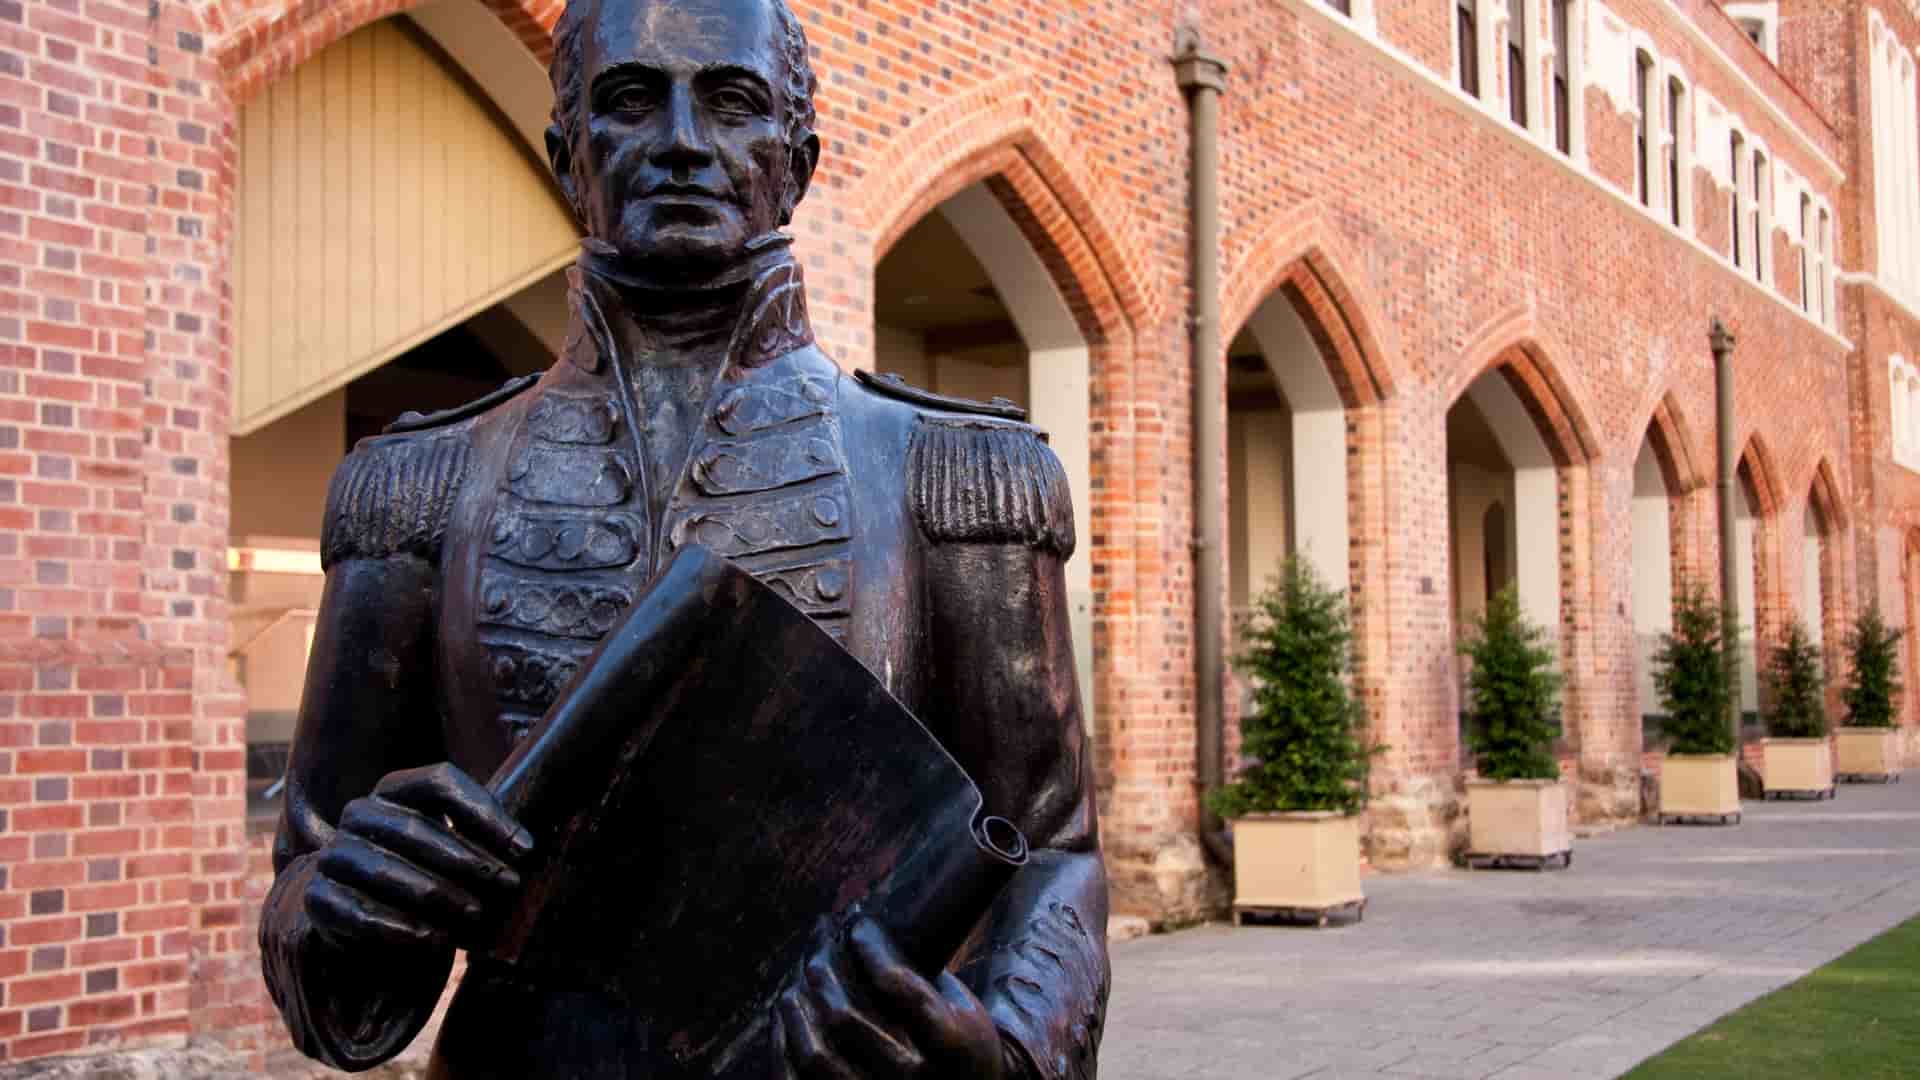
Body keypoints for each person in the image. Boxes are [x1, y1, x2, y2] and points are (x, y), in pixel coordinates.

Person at [256, 0, 1110, 1075]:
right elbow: (315, 872)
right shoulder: (418, 486)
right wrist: (347, 902)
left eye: (731, 101)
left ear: (795, 162)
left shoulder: (952, 476)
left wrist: (1009, 1049)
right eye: (629, 100)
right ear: (569, 156)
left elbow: (1051, 848)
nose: (682, 142)